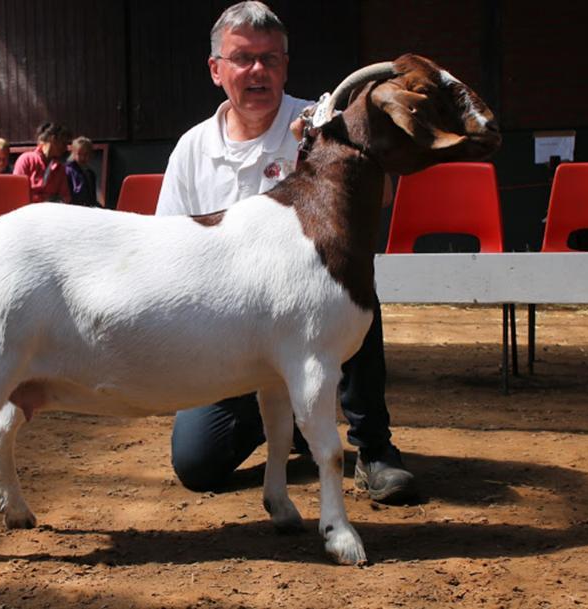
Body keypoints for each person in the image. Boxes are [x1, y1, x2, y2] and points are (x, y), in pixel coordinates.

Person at [156, 1, 415, 503]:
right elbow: (168, 248)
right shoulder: (191, 148)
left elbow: (380, 199)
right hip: (230, 333)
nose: (258, 70)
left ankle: (375, 450)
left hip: (310, 312)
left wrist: (328, 153)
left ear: (285, 66)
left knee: (348, 285)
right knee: (197, 465)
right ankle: (298, 421)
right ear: (216, 70)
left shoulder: (319, 121)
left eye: (271, 58)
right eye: (243, 58)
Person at [13, 122, 71, 203]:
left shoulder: (60, 168)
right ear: (53, 139)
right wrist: (46, 200)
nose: (66, 148)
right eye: (63, 143)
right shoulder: (26, 159)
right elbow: (17, 191)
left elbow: (65, 196)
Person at [65, 136, 101, 207]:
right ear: (73, 153)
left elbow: (92, 196)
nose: (83, 157)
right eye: (79, 154)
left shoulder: (90, 174)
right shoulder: (68, 170)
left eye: (86, 154)